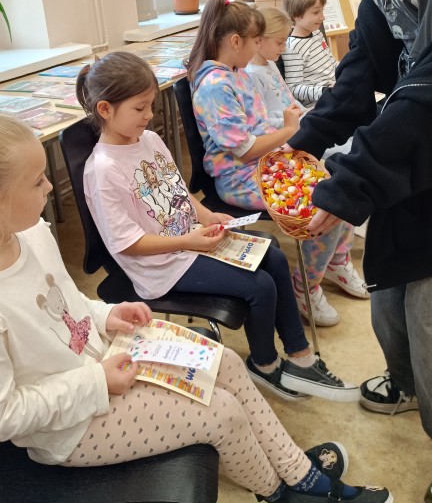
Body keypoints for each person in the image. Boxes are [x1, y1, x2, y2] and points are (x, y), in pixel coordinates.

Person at [0, 116, 394, 503]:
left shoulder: (33, 232)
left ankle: (297, 473)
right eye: (37, 181)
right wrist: (96, 382)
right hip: (69, 425)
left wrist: (105, 314)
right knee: (221, 413)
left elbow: (68, 303)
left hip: (105, 361)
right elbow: (8, 415)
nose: (51, 186)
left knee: (224, 363)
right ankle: (282, 492)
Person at [281, 0, 432, 497]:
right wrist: (310, 139)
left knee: (431, 313)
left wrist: (346, 176)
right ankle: (402, 383)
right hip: (405, 144)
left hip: (425, 139)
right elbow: (371, 51)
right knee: (391, 294)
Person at [77, 50, 357, 404]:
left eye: (151, 106)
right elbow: (126, 244)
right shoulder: (103, 170)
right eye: (139, 108)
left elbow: (177, 188)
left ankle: (300, 357)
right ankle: (265, 365)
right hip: (161, 266)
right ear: (105, 109)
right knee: (259, 286)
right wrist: (189, 241)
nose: (149, 116)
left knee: (271, 253)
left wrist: (204, 216)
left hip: (189, 241)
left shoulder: (147, 140)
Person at [186, 0, 362, 397]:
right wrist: (287, 133)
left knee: (340, 190)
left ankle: (321, 271)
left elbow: (261, 124)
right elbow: (243, 148)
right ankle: (306, 286)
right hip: (239, 176)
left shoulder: (238, 73)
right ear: (236, 42)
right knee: (321, 206)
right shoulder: (214, 84)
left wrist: (288, 131)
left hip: (265, 163)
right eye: (254, 41)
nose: (258, 49)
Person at [246, 5, 368, 326]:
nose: (284, 49)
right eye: (280, 42)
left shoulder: (270, 66)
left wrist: (308, 118)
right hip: (278, 150)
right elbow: (261, 124)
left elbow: (290, 102)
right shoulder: (250, 76)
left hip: (298, 136)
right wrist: (294, 123)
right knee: (325, 197)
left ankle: (337, 259)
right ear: (257, 42)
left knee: (345, 173)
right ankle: (307, 282)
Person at [281, 0, 338, 107]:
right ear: (296, 14)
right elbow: (294, 88)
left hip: (336, 91)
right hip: (320, 102)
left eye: (322, 10)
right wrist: (324, 91)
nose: (322, 17)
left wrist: (345, 71)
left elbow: (331, 63)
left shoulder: (317, 33)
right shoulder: (293, 48)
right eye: (316, 12)